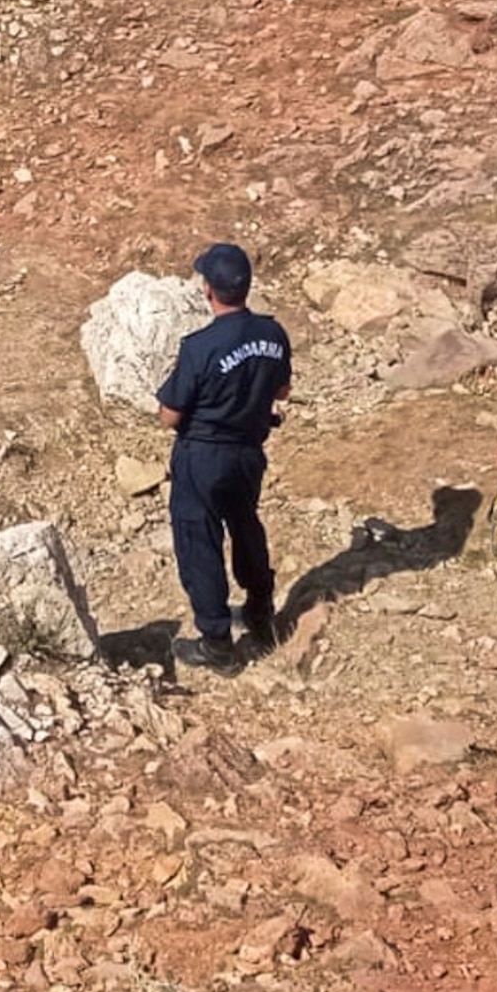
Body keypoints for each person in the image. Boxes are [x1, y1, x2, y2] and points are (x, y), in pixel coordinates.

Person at [154, 244, 293, 673]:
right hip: (249, 453)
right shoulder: (273, 334)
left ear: (208, 290)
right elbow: (282, 391)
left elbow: (168, 416)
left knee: (199, 541)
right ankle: (259, 609)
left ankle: (217, 642)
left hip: (203, 457)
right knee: (246, 524)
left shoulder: (200, 347)